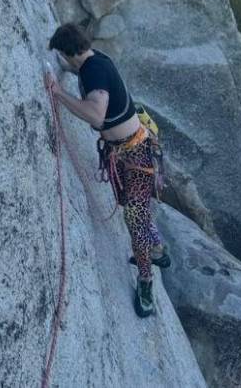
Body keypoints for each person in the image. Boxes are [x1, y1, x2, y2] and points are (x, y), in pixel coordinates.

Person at [44, 22, 170, 318]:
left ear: (70, 52)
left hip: (135, 155)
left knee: (135, 219)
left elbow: (97, 115)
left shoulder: (94, 71)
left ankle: (146, 283)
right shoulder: (94, 59)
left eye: (64, 55)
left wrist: (58, 93)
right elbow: (82, 72)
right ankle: (159, 250)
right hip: (129, 151)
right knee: (133, 205)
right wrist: (65, 65)